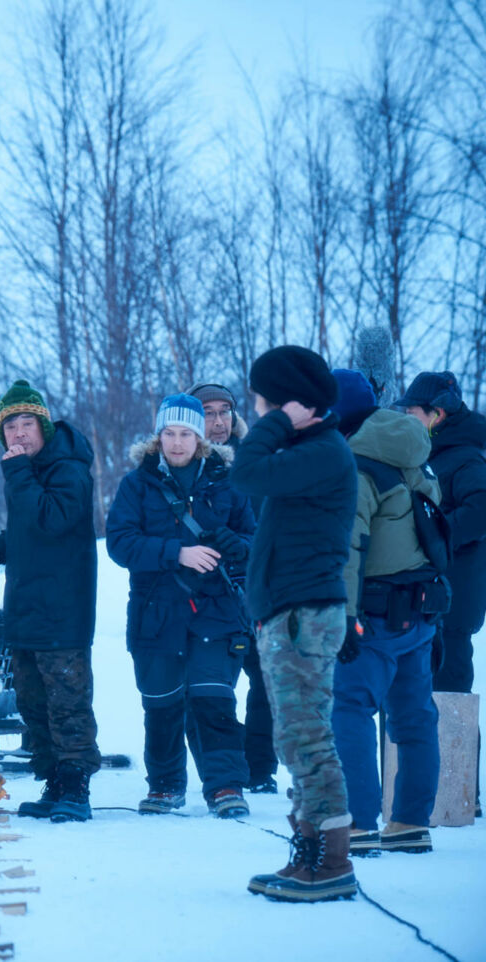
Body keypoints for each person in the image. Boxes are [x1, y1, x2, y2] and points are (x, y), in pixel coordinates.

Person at [233, 345, 359, 902]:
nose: (258, 413)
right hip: (287, 613)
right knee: (294, 737)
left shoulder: (324, 451)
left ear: (289, 403)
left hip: (304, 614)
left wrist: (279, 420)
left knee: (307, 739)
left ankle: (331, 862)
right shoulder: (308, 449)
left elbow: (247, 471)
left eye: (265, 402)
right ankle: (307, 849)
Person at [106, 395, 255, 818]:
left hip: (216, 609)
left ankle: (226, 787)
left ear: (200, 437)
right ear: (158, 437)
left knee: (215, 700)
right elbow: (119, 542)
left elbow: (257, 541)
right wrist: (177, 552)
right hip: (156, 611)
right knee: (162, 703)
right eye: (169, 433)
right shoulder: (137, 484)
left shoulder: (228, 480)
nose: (176, 442)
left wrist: (235, 545)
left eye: (185, 434)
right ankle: (166, 785)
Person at [0, 379, 101, 822]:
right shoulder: (30, 471)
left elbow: (51, 519)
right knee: (33, 702)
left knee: (67, 700)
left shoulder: (68, 467)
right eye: (10, 426)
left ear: (43, 426)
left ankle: (76, 786)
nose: (18, 434)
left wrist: (18, 473)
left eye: (26, 423)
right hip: (26, 607)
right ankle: (54, 781)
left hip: (63, 610)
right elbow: (29, 528)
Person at [329, 369, 442, 857]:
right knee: (415, 718)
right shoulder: (414, 451)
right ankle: (411, 822)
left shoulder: (356, 465)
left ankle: (358, 822)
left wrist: (343, 615)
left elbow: (349, 545)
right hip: (420, 608)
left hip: (372, 611)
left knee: (350, 709)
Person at [191, 381, 277, 793]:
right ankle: (224, 769)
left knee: (267, 682)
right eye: (208, 412)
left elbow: (273, 524)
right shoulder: (180, 467)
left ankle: (260, 768)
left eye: (224, 411)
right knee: (210, 687)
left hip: (260, 589)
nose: (219, 421)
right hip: (205, 595)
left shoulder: (258, 461)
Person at [398, 371, 486, 695]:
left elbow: (480, 511)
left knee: (449, 697)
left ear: (438, 414)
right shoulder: (436, 453)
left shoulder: (464, 457)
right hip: (435, 596)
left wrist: (434, 535)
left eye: (412, 413)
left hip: (455, 598)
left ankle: (454, 748)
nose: (406, 419)